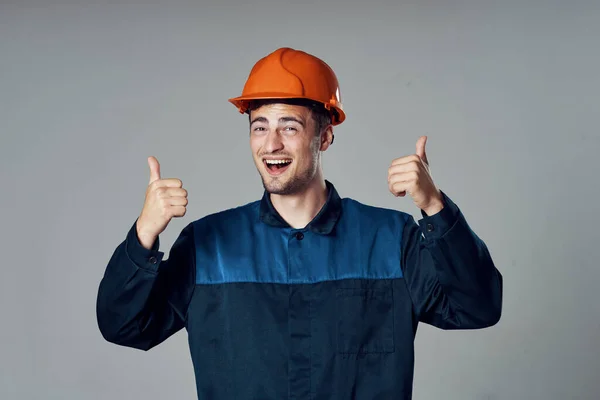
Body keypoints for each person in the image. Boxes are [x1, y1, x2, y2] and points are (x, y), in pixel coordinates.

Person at [96, 47, 503, 399]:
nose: (271, 144)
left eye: (289, 127)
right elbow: (126, 327)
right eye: (260, 127)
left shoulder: (391, 239)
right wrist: (144, 233)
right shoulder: (208, 245)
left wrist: (434, 206)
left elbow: (477, 308)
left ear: (324, 137)